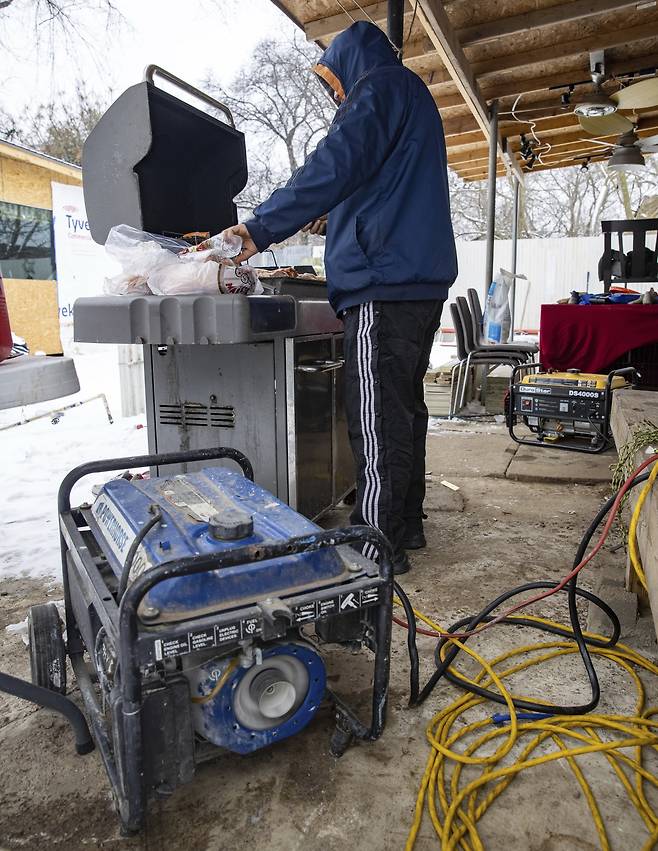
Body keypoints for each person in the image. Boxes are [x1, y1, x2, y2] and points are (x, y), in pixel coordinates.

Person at [218, 20, 457, 574]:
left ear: (347, 64)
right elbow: (378, 181)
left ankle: (375, 541)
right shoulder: (408, 94)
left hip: (383, 283)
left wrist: (256, 232)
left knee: (375, 416)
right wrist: (341, 216)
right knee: (403, 410)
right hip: (415, 281)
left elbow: (334, 164)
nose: (336, 97)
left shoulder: (380, 86)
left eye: (334, 85)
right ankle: (406, 523)